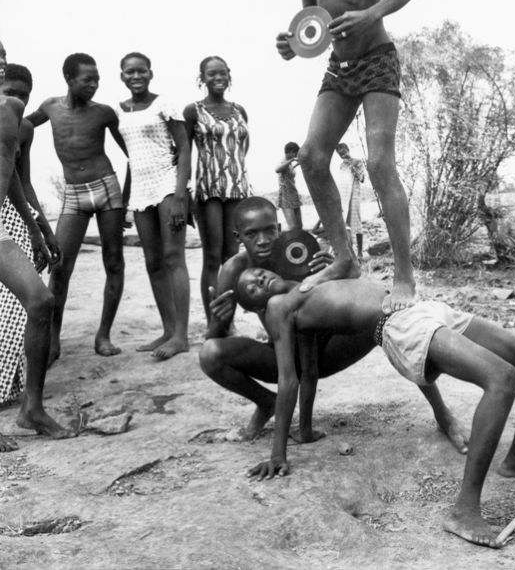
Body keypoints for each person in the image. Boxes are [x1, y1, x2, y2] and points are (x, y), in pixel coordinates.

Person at [244, 270, 515, 549]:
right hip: (398, 323)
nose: (259, 278)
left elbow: (310, 372)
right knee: (501, 377)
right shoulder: (277, 307)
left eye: (257, 272)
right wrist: (278, 453)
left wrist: (307, 429)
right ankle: (464, 511)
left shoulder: (308, 288)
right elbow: (289, 380)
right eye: (252, 287)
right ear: (257, 308)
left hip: (425, 308)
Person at [199, 196, 467, 451]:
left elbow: (349, 296)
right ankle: (266, 403)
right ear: (238, 238)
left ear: (279, 228)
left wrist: (335, 272)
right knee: (209, 354)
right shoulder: (233, 271)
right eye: (251, 234)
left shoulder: (301, 251)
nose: (262, 240)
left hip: (329, 350)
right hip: (283, 357)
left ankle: (443, 414)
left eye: (270, 231)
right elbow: (216, 336)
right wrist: (218, 322)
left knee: (388, 320)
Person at [275, 0, 419, 314]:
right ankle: (343, 259)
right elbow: (311, 27)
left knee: (379, 163)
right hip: (340, 69)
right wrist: (291, 45)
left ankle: (404, 276)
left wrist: (371, 14)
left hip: (377, 60)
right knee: (312, 158)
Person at [26, 53, 127, 363]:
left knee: (113, 262)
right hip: (73, 194)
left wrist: (129, 198)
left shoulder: (105, 113)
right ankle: (53, 340)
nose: (94, 85)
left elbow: (132, 152)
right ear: (69, 80)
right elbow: (19, 126)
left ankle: (103, 335)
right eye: (87, 80)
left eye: (97, 79)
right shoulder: (50, 107)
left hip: (107, 189)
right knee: (60, 266)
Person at [0, 91, 69, 451]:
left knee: (41, 302)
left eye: (2, 56)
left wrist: (33, 225)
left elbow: (8, 169)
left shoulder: (10, 109)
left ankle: (33, 408)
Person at [117, 52, 191, 360]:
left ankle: (182, 336)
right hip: (141, 189)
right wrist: (125, 200)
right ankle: (167, 329)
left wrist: (180, 196)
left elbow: (184, 147)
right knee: (153, 262)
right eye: (129, 72)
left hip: (166, 185)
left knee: (174, 257)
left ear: (150, 73)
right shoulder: (121, 111)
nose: (135, 76)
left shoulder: (165, 104)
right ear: (122, 76)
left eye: (141, 71)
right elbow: (132, 159)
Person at [184, 56, 252, 324]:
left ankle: (229, 319)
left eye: (222, 73)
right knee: (212, 257)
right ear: (202, 78)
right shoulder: (194, 111)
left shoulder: (239, 110)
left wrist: (234, 174)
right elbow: (184, 154)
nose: (218, 78)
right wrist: (186, 195)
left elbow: (242, 147)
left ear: (229, 75)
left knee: (232, 257)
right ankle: (214, 321)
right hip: (208, 189)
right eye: (211, 74)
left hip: (236, 188)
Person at [335, 142, 366, 260]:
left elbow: (362, 178)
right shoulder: (342, 166)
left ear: (348, 149)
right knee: (345, 223)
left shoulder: (358, 162)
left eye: (344, 153)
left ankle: (360, 252)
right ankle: (349, 250)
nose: (343, 156)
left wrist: (352, 166)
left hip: (354, 194)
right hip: (344, 196)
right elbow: (342, 182)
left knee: (357, 221)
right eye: (340, 155)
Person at [275, 141, 302, 230]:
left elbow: (288, 171)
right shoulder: (283, 161)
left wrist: (297, 164)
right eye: (295, 153)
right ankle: (282, 240)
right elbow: (277, 170)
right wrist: (292, 160)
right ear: (290, 152)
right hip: (286, 196)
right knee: (292, 226)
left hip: (293, 194)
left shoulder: (289, 163)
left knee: (299, 225)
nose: (295, 155)